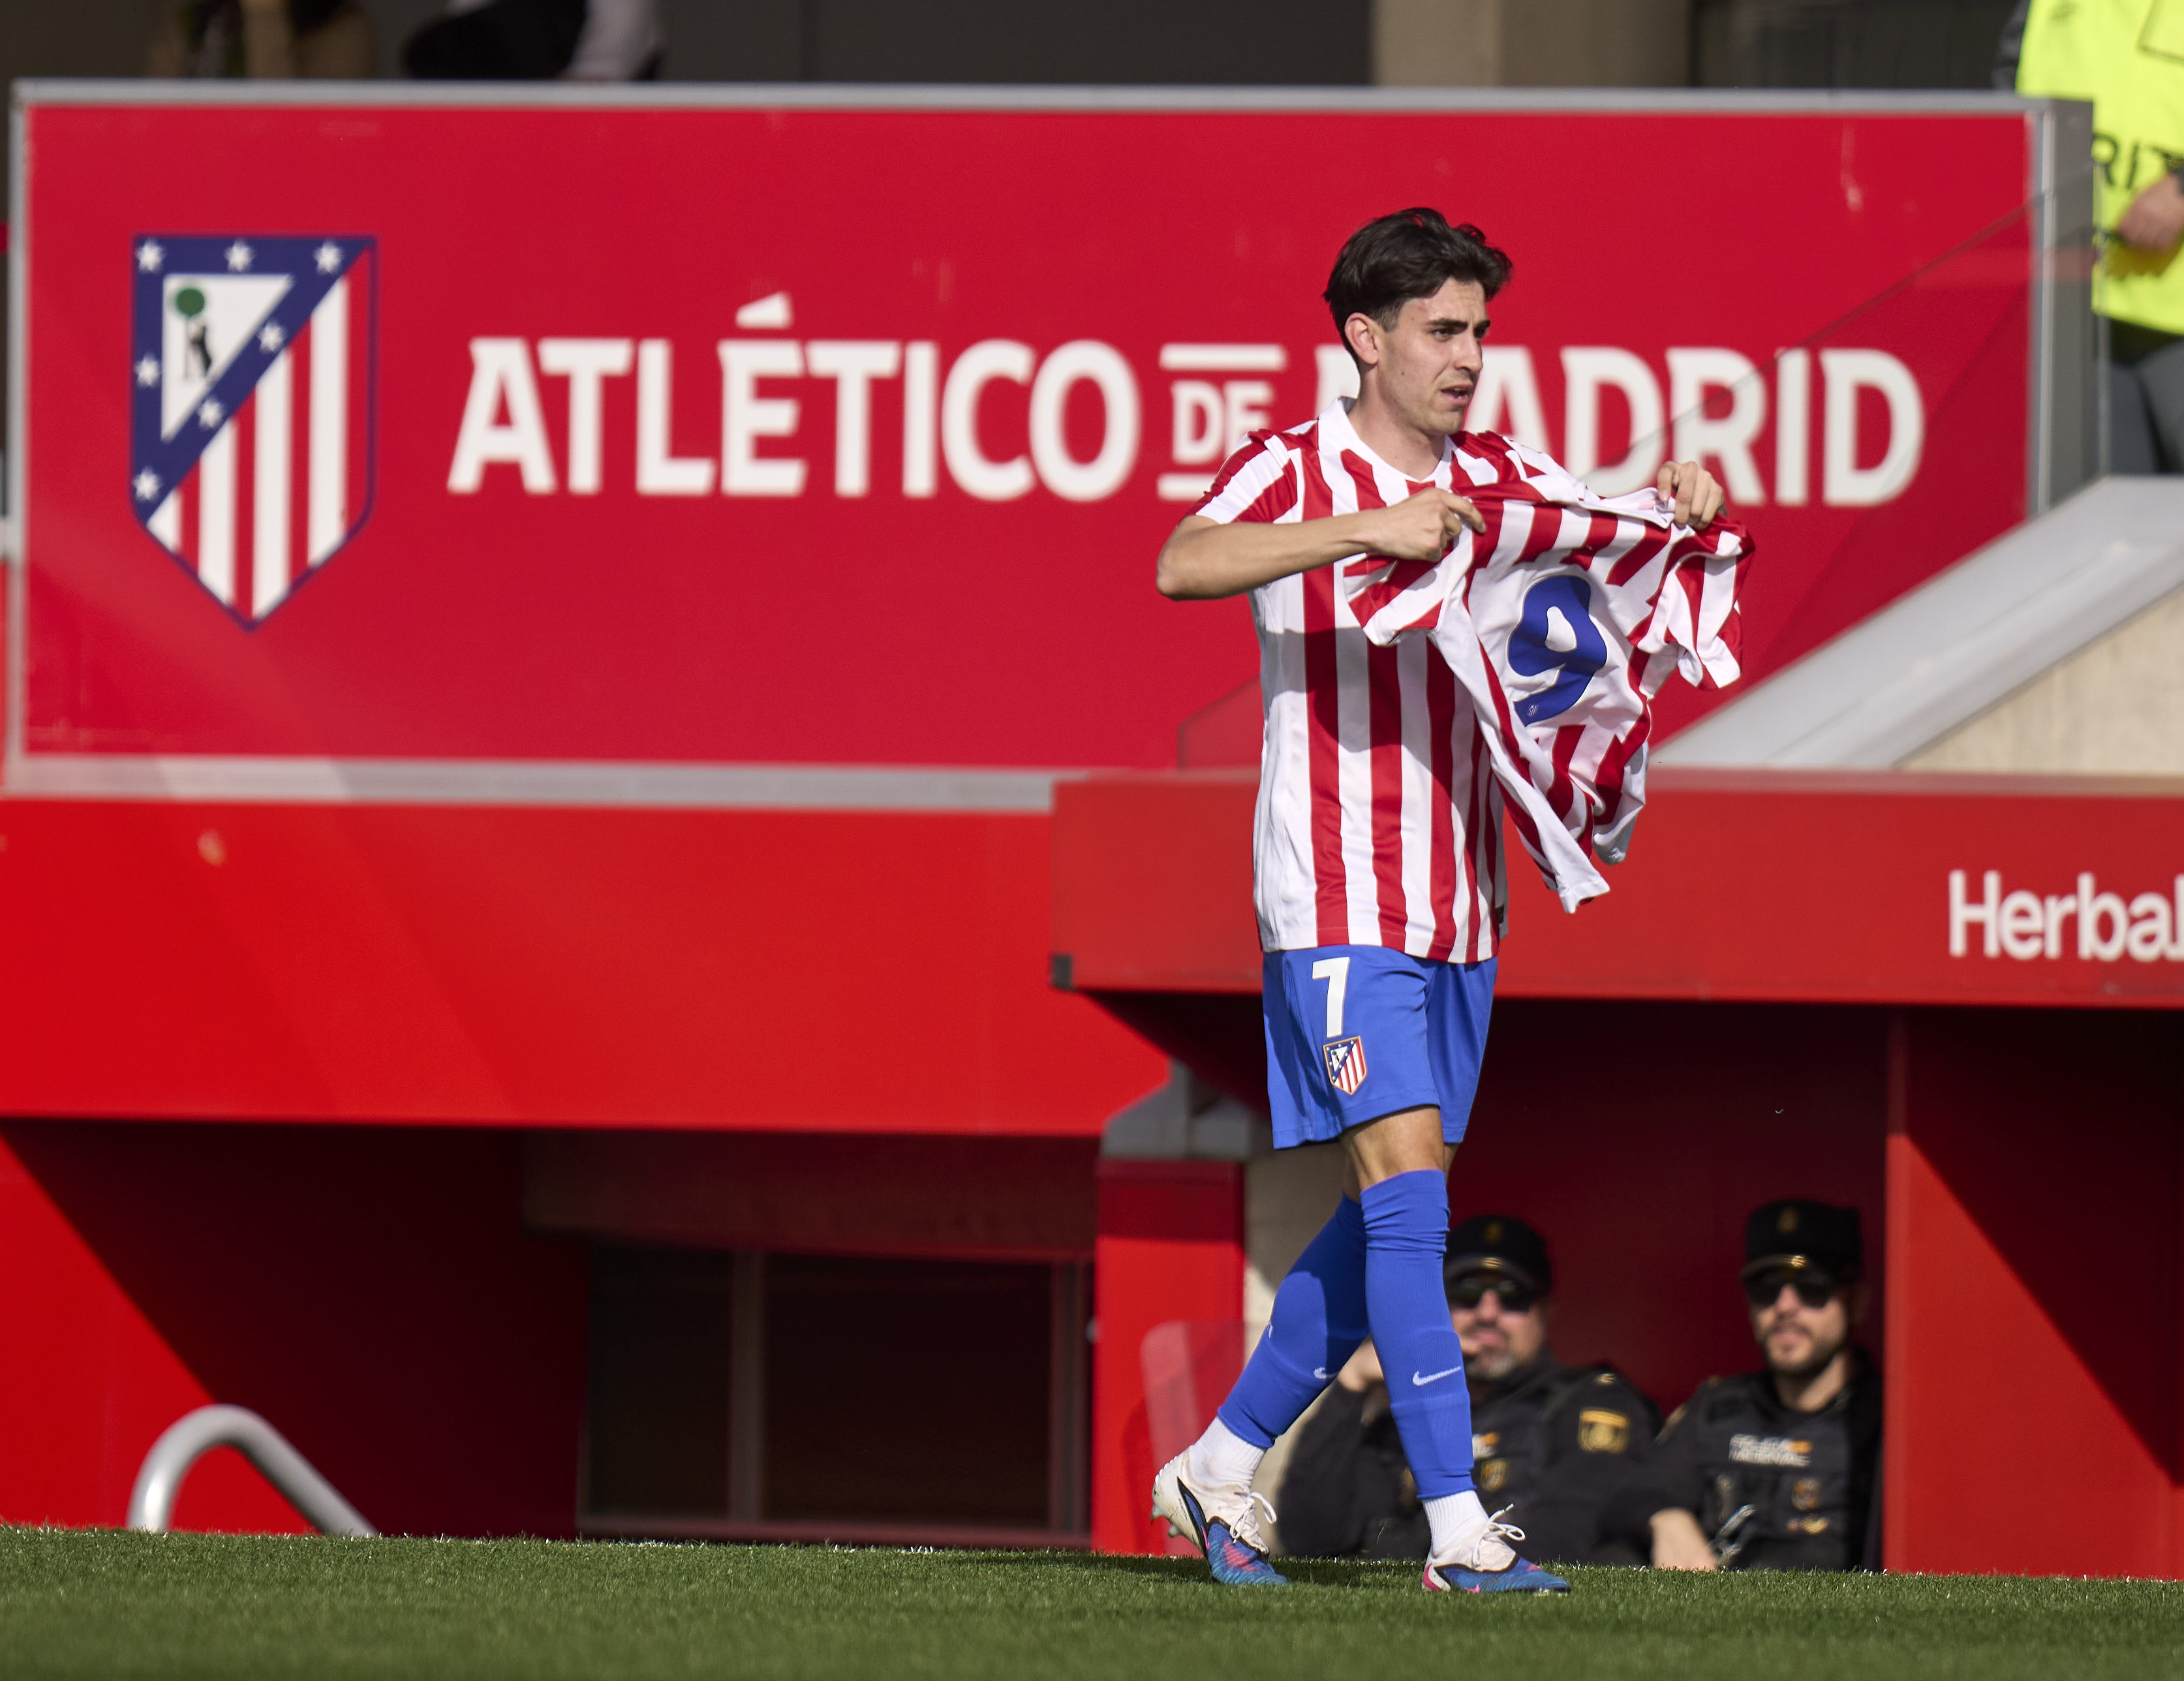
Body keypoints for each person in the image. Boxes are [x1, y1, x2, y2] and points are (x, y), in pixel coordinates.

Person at [1146, 207, 1725, 1596]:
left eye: (1478, 331)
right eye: (1441, 331)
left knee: (1390, 1211)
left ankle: (1219, 1464)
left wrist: (1673, 497)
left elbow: (1585, 528)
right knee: (1410, 1205)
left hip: (1458, 899)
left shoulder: (1493, 470)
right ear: (1362, 337)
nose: (1468, 359)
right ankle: (1459, 1530)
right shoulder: (1294, 464)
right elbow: (1179, 560)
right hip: (1334, 889)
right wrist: (1361, 527)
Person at [1278, 1214, 1659, 1567]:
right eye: (1466, 1293)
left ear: (1544, 1313)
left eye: (1512, 1295)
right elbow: (1309, 1539)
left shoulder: (1589, 1402)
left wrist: (1391, 1548)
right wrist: (1352, 1385)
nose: (1487, 1313)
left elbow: (1560, 1540)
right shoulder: (1408, 1415)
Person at [1633, 1199, 1882, 1573]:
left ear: (1856, 1301)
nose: (1785, 1306)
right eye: (1767, 1288)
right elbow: (1630, 1493)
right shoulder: (1719, 1406)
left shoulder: (1886, 1420)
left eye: (1811, 1287)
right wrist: (1665, 1516)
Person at [2000, 0, 2184, 471]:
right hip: (2077, 310)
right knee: (2111, 528)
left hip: (2171, 315)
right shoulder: (2041, 9)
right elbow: (2004, 113)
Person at [147, 0, 376, 78]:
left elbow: (285, 128)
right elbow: (152, 117)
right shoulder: (197, 21)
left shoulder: (345, 27)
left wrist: (264, 13)